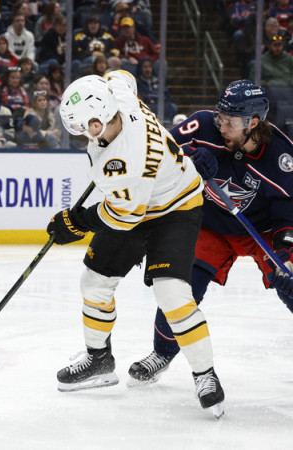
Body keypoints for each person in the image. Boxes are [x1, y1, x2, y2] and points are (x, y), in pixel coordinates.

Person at [50, 74, 225, 416]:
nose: (81, 134)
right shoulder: (118, 94)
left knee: (172, 293)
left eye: (83, 127)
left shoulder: (125, 162)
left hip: (175, 209)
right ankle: (98, 360)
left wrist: (76, 222)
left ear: (97, 122)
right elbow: (121, 77)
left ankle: (205, 374)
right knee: (94, 281)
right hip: (138, 201)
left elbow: (124, 217)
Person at [128, 80, 293, 385]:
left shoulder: (282, 158)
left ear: (253, 123)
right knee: (180, 287)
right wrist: (186, 160)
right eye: (220, 118)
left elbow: (287, 215)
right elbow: (156, 154)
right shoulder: (203, 125)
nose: (222, 127)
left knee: (290, 283)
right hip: (210, 225)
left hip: (263, 232)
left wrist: (286, 255)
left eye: (230, 122)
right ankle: (162, 353)